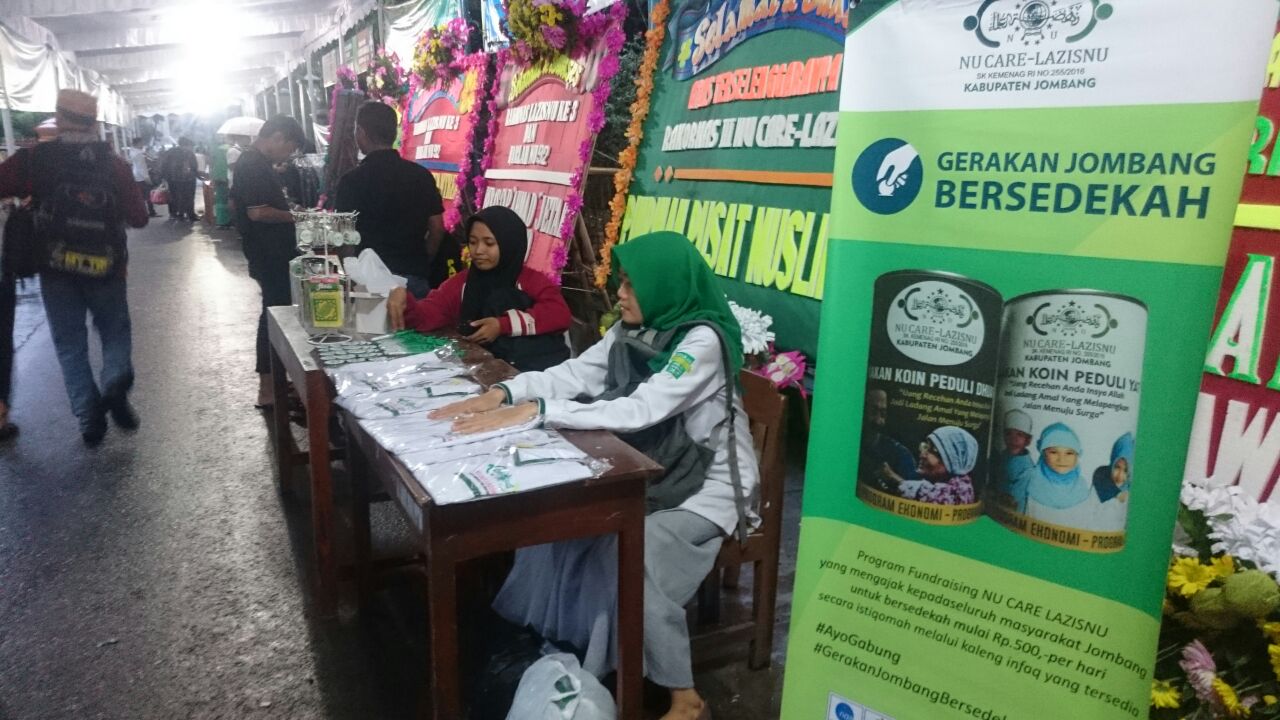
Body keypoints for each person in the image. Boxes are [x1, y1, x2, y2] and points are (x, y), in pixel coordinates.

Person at [428, 231, 759, 720]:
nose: (619, 294)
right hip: (658, 467)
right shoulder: (631, 330)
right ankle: (575, 651)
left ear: (664, 285)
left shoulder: (701, 339)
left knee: (632, 551)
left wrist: (539, 412)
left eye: (630, 284)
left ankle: (684, 696)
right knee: (561, 525)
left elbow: (644, 408)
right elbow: (576, 373)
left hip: (709, 484)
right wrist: (507, 394)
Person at [0, 89, 148, 445]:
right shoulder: (113, 165)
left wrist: (25, 202)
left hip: (55, 268)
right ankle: (114, 382)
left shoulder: (34, 160)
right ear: (95, 123)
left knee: (69, 345)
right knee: (113, 332)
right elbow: (140, 218)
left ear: (59, 118)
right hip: (107, 268)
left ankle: (88, 419)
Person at [386, 206, 570, 372]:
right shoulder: (462, 283)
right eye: (473, 242)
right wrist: (405, 300)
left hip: (535, 374)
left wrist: (501, 325)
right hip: (484, 372)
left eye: (489, 243)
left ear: (509, 244)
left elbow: (559, 315)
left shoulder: (531, 281)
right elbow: (427, 316)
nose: (479, 250)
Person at [230, 115, 306, 408]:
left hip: (272, 253)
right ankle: (267, 389)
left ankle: (275, 381)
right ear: (277, 137)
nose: (288, 154)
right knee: (274, 318)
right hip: (268, 254)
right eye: (289, 147)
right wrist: (298, 216)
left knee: (276, 315)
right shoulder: (252, 165)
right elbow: (258, 212)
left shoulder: (258, 164)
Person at [336, 101, 445, 299]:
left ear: (360, 132)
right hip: (413, 280)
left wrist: (352, 278)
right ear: (393, 133)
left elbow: (345, 239)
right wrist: (421, 261)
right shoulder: (421, 175)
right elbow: (437, 228)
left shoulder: (351, 181)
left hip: (368, 284)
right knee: (414, 330)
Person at [1015, 422, 1094, 525]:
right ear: (1043, 453)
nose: (1061, 459)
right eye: (1054, 452)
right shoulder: (1029, 479)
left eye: (1069, 453)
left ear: (1077, 455)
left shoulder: (1082, 486)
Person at [890, 426, 979, 505]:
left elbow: (931, 495)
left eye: (933, 450)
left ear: (953, 461)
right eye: (925, 447)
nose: (922, 455)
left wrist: (892, 477)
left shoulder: (958, 493)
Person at [860, 386, 917, 493]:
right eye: (872, 411)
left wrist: (893, 478)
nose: (878, 421)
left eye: (882, 413)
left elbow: (914, 494)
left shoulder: (901, 455)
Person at [994, 409, 1035, 510]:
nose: (1013, 438)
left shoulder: (1027, 469)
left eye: (1019, 434)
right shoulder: (1001, 457)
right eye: (1008, 433)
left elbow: (1013, 500)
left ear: (1028, 440)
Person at [163, 137, 199, 221]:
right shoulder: (189, 153)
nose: (191, 148)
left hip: (173, 179)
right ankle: (190, 215)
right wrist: (197, 174)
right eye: (191, 146)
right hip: (187, 179)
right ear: (187, 145)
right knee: (189, 197)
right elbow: (194, 166)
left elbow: (164, 165)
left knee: (175, 196)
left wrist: (165, 178)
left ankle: (177, 214)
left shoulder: (170, 152)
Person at [127, 137, 158, 218]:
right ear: (138, 143)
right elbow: (142, 167)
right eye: (141, 143)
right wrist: (147, 178)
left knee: (141, 196)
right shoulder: (139, 154)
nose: (142, 144)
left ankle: (144, 212)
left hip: (136, 176)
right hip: (142, 177)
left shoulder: (132, 152)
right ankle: (151, 212)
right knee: (147, 196)